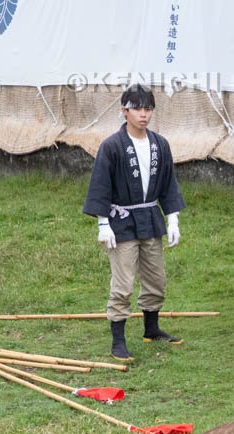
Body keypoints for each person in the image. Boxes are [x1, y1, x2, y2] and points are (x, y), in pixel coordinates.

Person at [82, 84, 185, 361]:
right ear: (124, 110)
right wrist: (103, 224)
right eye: (137, 108)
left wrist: (172, 219)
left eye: (148, 108)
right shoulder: (112, 146)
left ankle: (151, 329)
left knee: (156, 279)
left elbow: (168, 185)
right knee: (123, 283)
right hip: (122, 221)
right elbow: (100, 186)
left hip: (150, 219)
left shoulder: (159, 144)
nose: (144, 114)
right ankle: (118, 341)